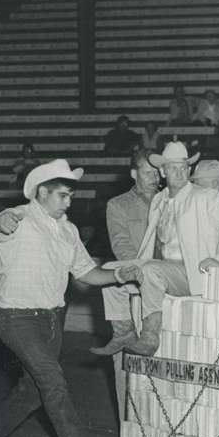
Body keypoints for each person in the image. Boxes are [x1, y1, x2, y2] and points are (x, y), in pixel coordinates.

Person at [0, 160, 138, 437]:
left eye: (70, 196)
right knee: (54, 381)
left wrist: (117, 274)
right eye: (62, 195)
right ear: (42, 192)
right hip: (16, 316)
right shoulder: (17, 218)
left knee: (35, 390)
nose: (68, 202)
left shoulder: (68, 230)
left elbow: (87, 274)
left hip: (51, 319)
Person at [112, 143, 219, 356]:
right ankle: (124, 333)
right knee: (113, 273)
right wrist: (135, 265)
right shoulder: (159, 200)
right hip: (169, 272)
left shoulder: (205, 196)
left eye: (184, 167)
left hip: (196, 273)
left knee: (150, 270)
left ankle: (149, 336)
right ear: (162, 171)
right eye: (173, 167)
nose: (180, 172)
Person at [91, 152, 161, 357]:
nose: (154, 179)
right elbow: (120, 244)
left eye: (157, 173)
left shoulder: (170, 200)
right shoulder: (118, 204)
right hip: (139, 270)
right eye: (148, 173)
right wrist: (138, 267)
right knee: (109, 272)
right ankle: (123, 332)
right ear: (133, 173)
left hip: (167, 272)